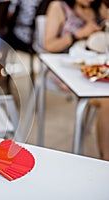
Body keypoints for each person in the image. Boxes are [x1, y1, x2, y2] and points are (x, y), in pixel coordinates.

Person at [43, 0, 109, 161]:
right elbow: (48, 45)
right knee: (107, 101)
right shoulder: (58, 7)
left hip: (95, 70)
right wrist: (78, 34)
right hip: (65, 71)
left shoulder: (99, 8)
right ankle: (106, 159)